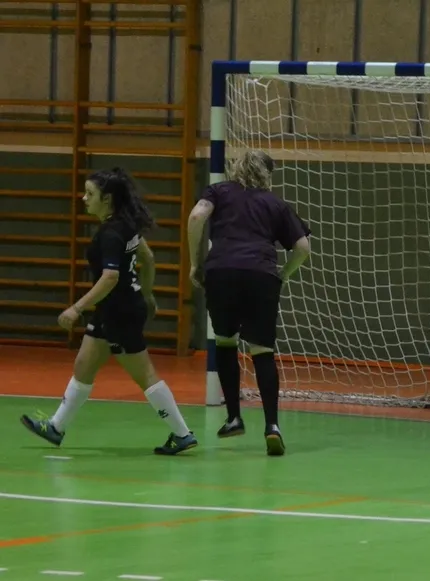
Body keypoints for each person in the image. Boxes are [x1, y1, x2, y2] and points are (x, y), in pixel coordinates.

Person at [20, 168, 197, 455]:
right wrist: (147, 294)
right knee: (84, 365)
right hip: (115, 308)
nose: (83, 198)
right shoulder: (126, 225)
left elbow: (111, 277)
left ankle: (182, 433)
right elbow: (148, 258)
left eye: (90, 193)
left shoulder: (111, 233)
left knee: (145, 375)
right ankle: (56, 426)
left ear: (107, 199)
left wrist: (76, 308)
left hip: (119, 312)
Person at [187, 150, 311, 456]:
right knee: (262, 351)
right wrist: (283, 274)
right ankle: (272, 426)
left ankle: (233, 418)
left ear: (236, 168)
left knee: (225, 341)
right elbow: (303, 247)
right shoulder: (275, 203)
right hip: (261, 275)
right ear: (267, 173)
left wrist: (195, 262)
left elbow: (197, 216)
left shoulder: (218, 191)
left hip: (222, 271)